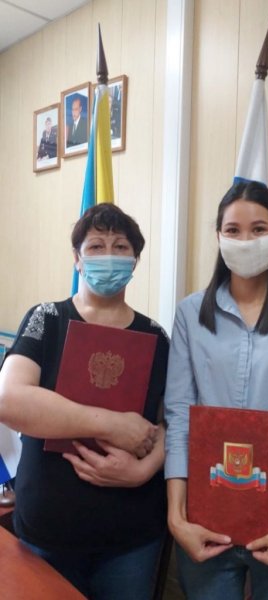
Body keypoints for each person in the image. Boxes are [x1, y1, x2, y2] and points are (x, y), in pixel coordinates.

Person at [164, 181, 268, 600]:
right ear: (219, 237)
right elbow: (179, 417)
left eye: (259, 229)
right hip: (205, 521)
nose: (246, 241)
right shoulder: (190, 314)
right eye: (233, 230)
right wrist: (176, 517)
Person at [0, 203, 169, 600]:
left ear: (135, 260)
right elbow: (9, 399)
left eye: (120, 246)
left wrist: (144, 469)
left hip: (132, 538)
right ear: (77, 259)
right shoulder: (47, 319)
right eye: (95, 246)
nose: (108, 255)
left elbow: (174, 422)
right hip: (48, 531)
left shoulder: (156, 337)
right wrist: (112, 424)